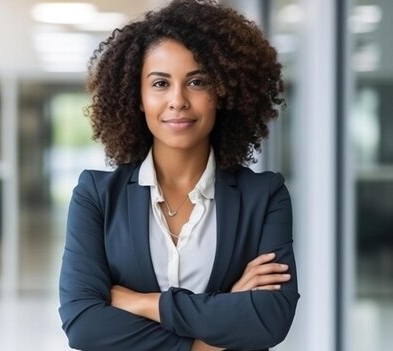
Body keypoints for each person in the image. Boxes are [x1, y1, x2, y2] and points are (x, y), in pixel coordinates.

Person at [58, 0, 299, 350]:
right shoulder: (96, 195)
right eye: (159, 83)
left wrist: (144, 302)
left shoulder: (265, 195)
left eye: (197, 82)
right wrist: (211, 335)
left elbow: (269, 319)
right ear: (138, 96)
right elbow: (83, 325)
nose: (178, 100)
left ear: (221, 92)